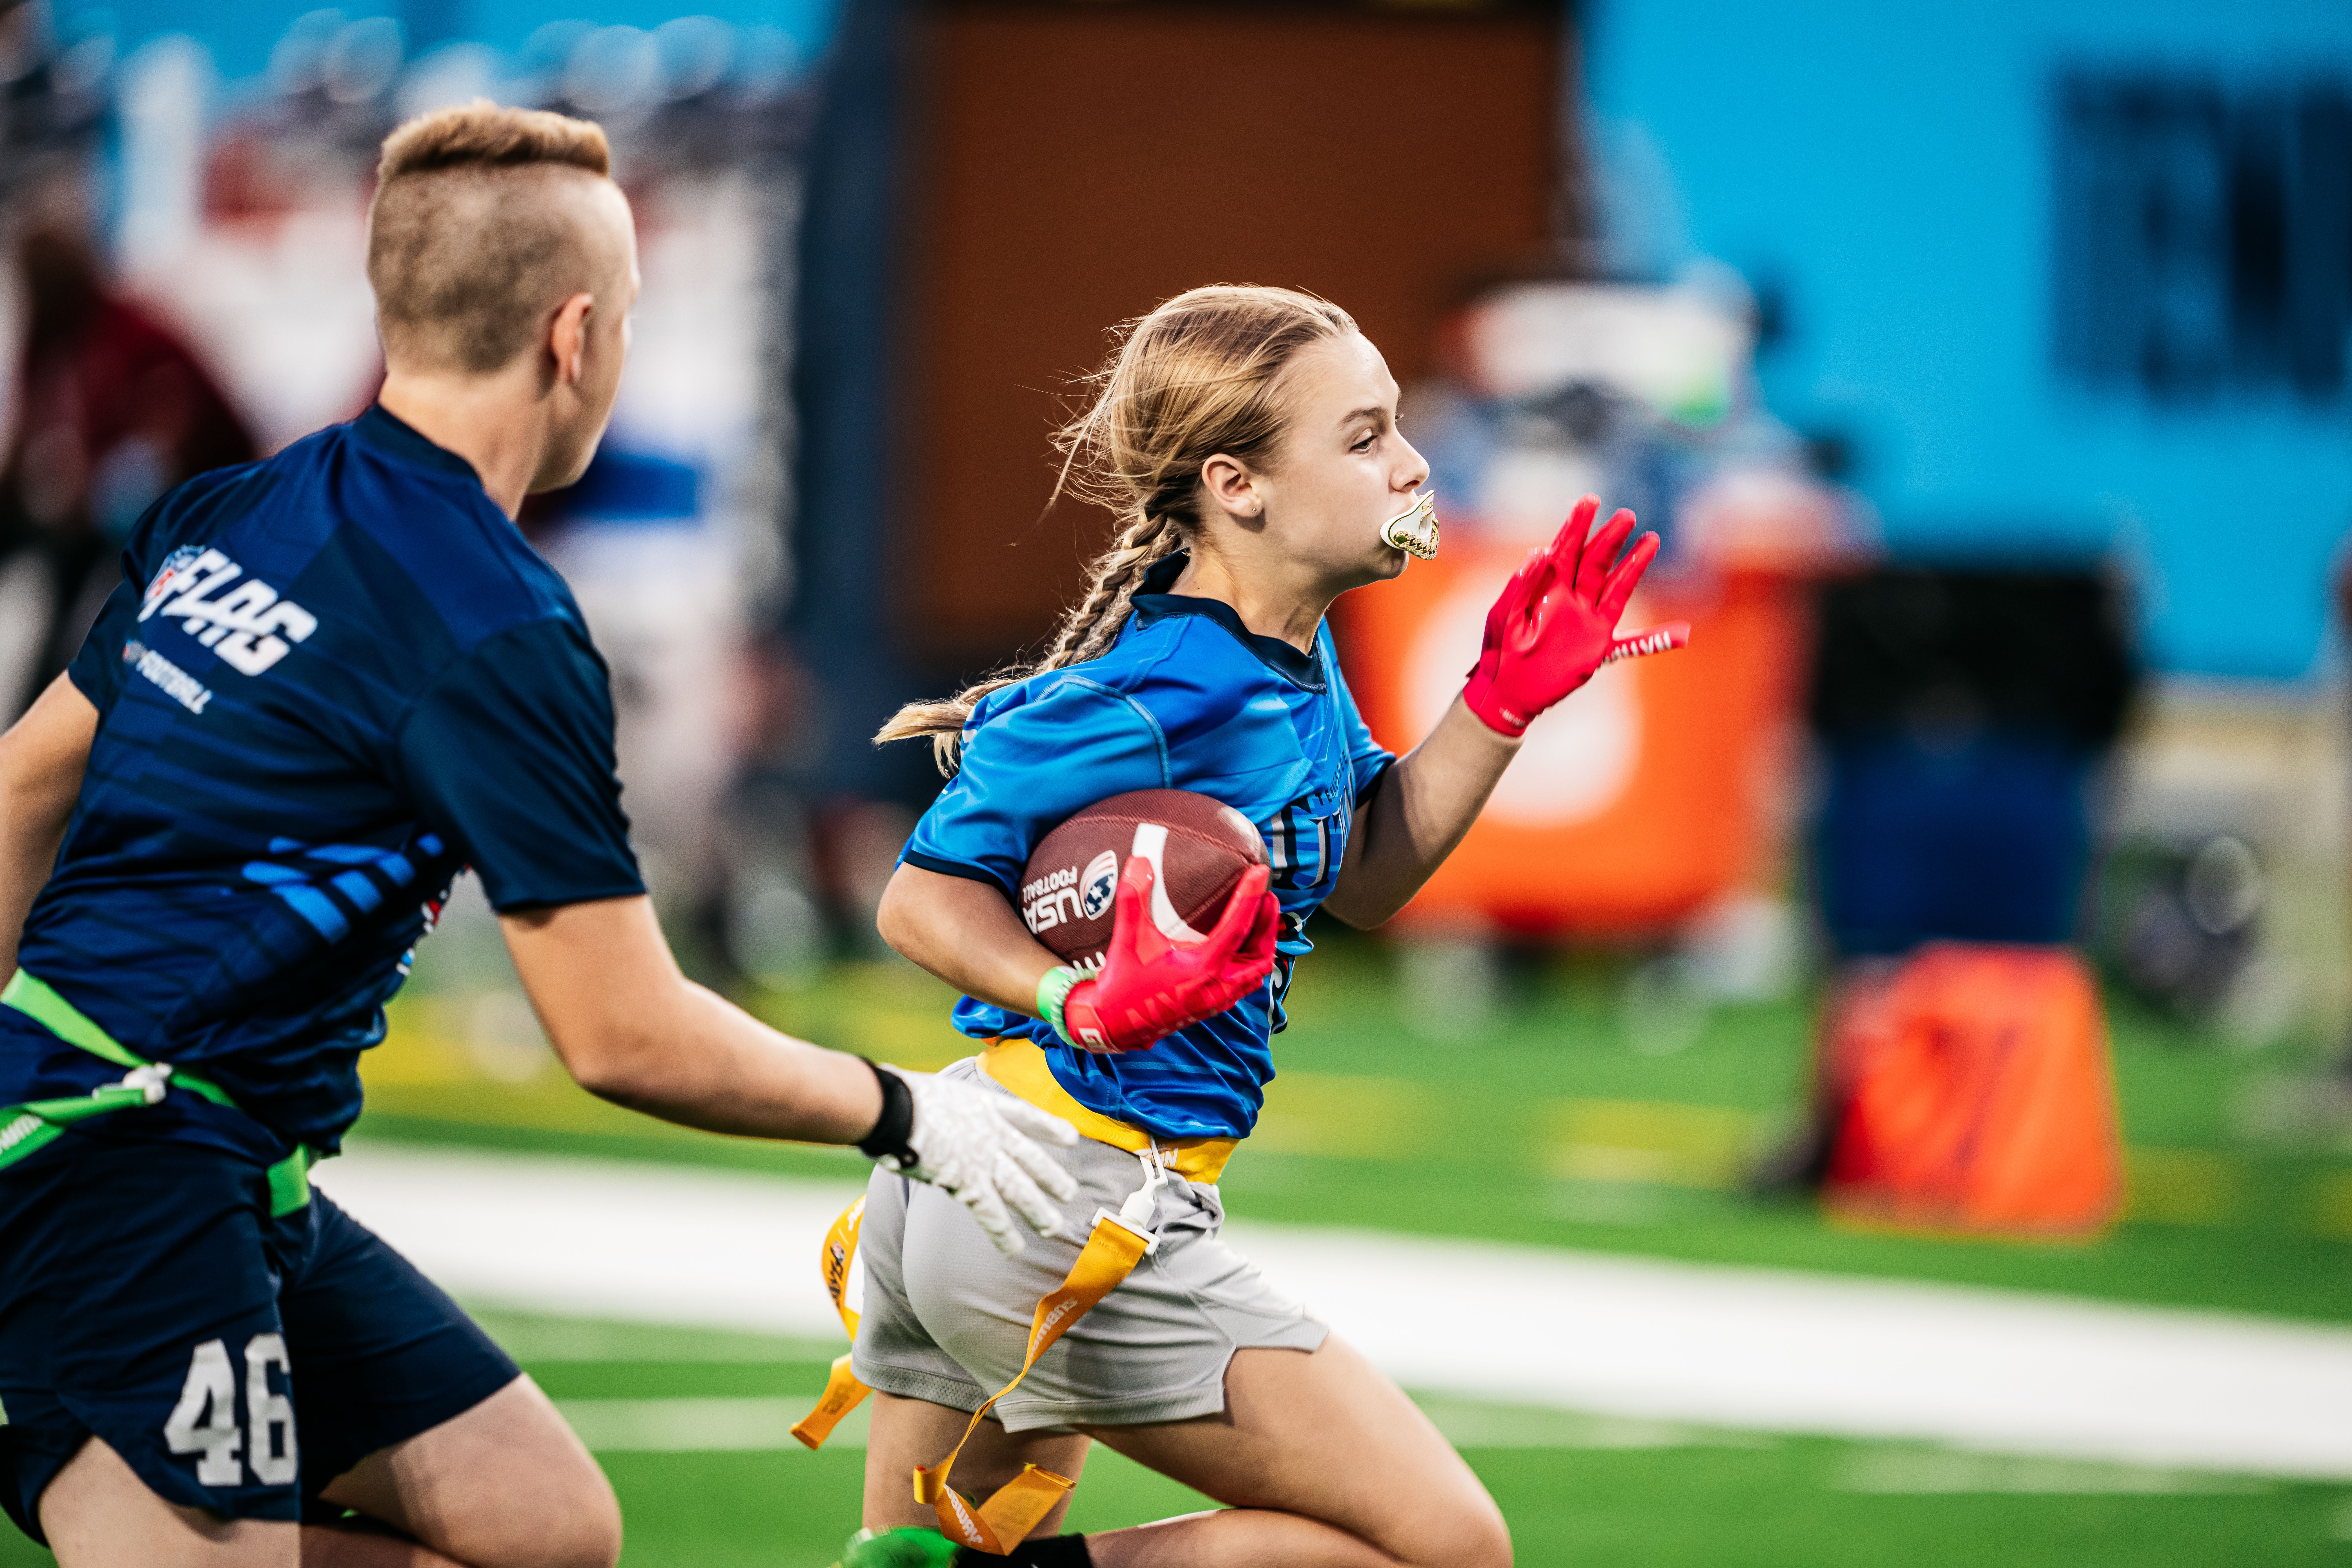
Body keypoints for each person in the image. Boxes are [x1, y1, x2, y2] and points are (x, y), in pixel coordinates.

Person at [0, 102, 1077, 1568]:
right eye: (625, 316)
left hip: (198, 1154)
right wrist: (909, 1115)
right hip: (125, 1161)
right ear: (574, 337)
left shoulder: (241, 506)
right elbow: (622, 1036)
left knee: (540, 1526)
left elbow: (17, 792)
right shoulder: (492, 622)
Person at [845, 285, 1664, 1568]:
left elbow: (1366, 879)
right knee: (1447, 1547)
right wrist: (1073, 995)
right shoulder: (1158, 689)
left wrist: (1497, 706)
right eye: (1363, 436)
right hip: (1063, 1186)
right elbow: (920, 895)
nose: (1410, 465)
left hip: (999, 1186)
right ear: (1238, 486)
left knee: (928, 1553)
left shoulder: (1293, 655)